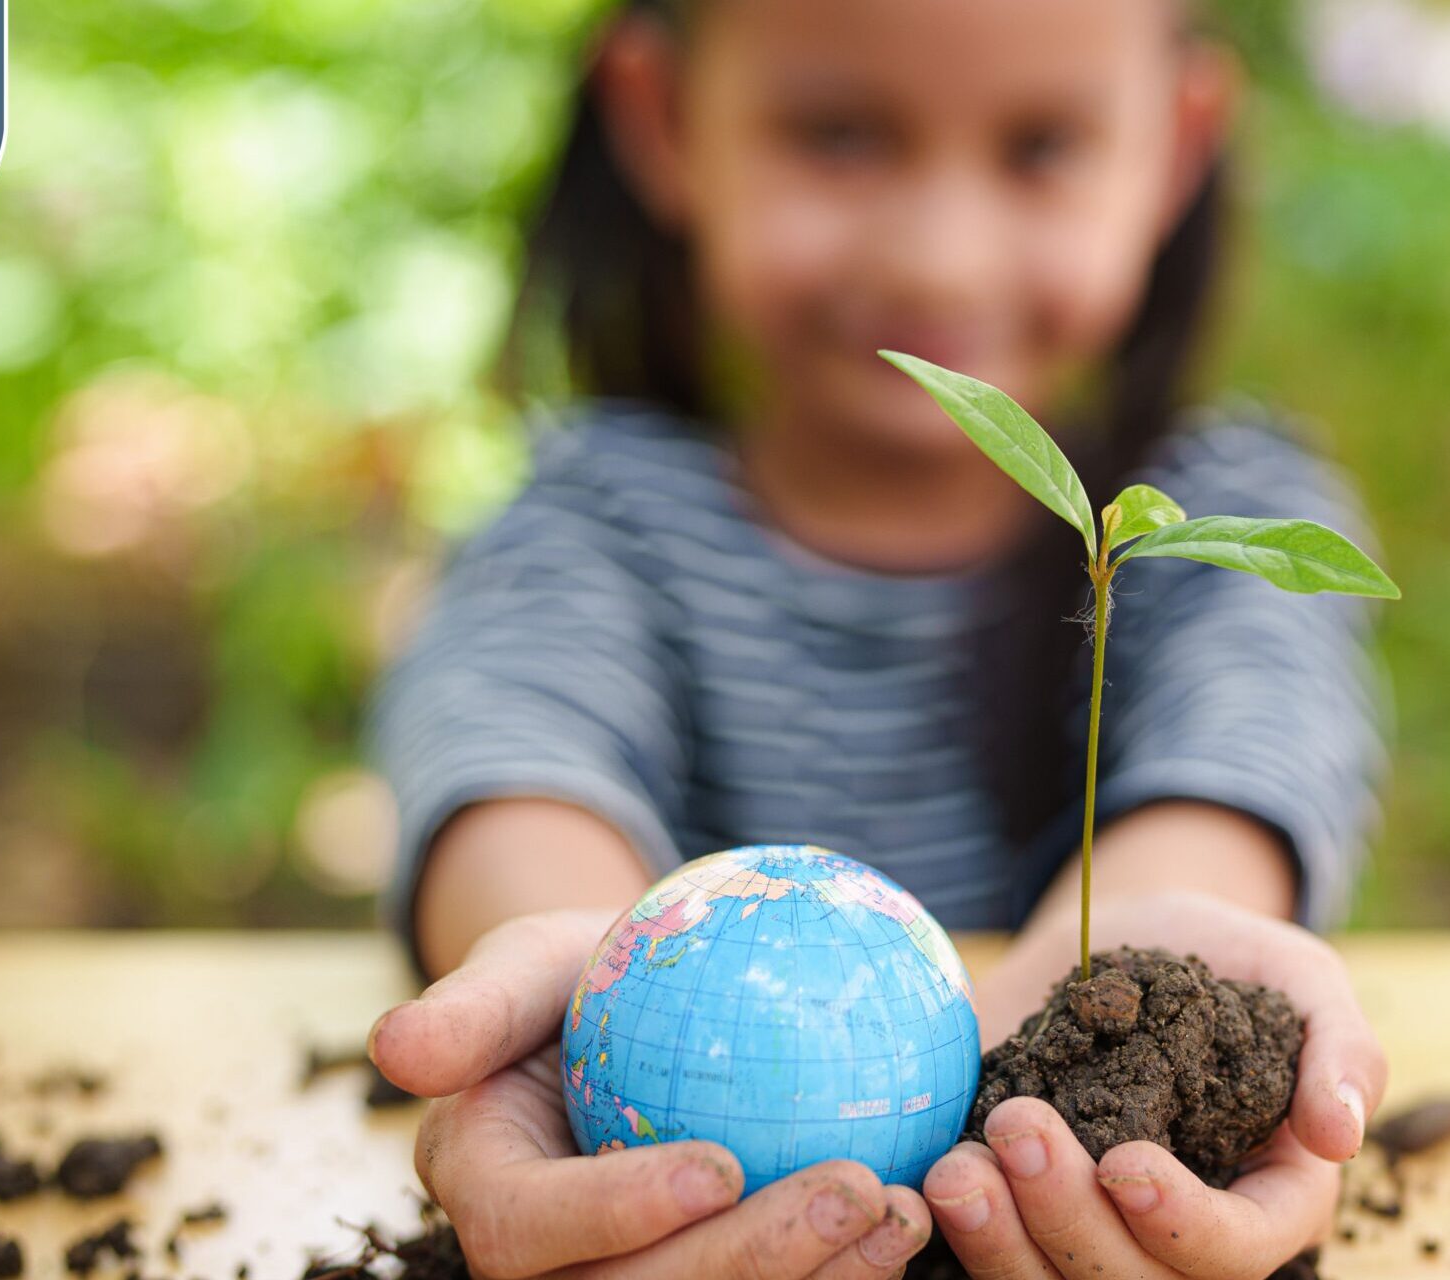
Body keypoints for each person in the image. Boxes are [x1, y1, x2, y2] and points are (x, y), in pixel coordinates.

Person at [364, 0, 1392, 1275]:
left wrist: (1154, 978)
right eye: (840, 135)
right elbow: (509, 757)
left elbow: (1247, 758)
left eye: (1041, 147)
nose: (938, 261)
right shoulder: (589, 522)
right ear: (664, 120)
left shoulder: (1220, 516)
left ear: (1176, 149)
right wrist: (575, 983)